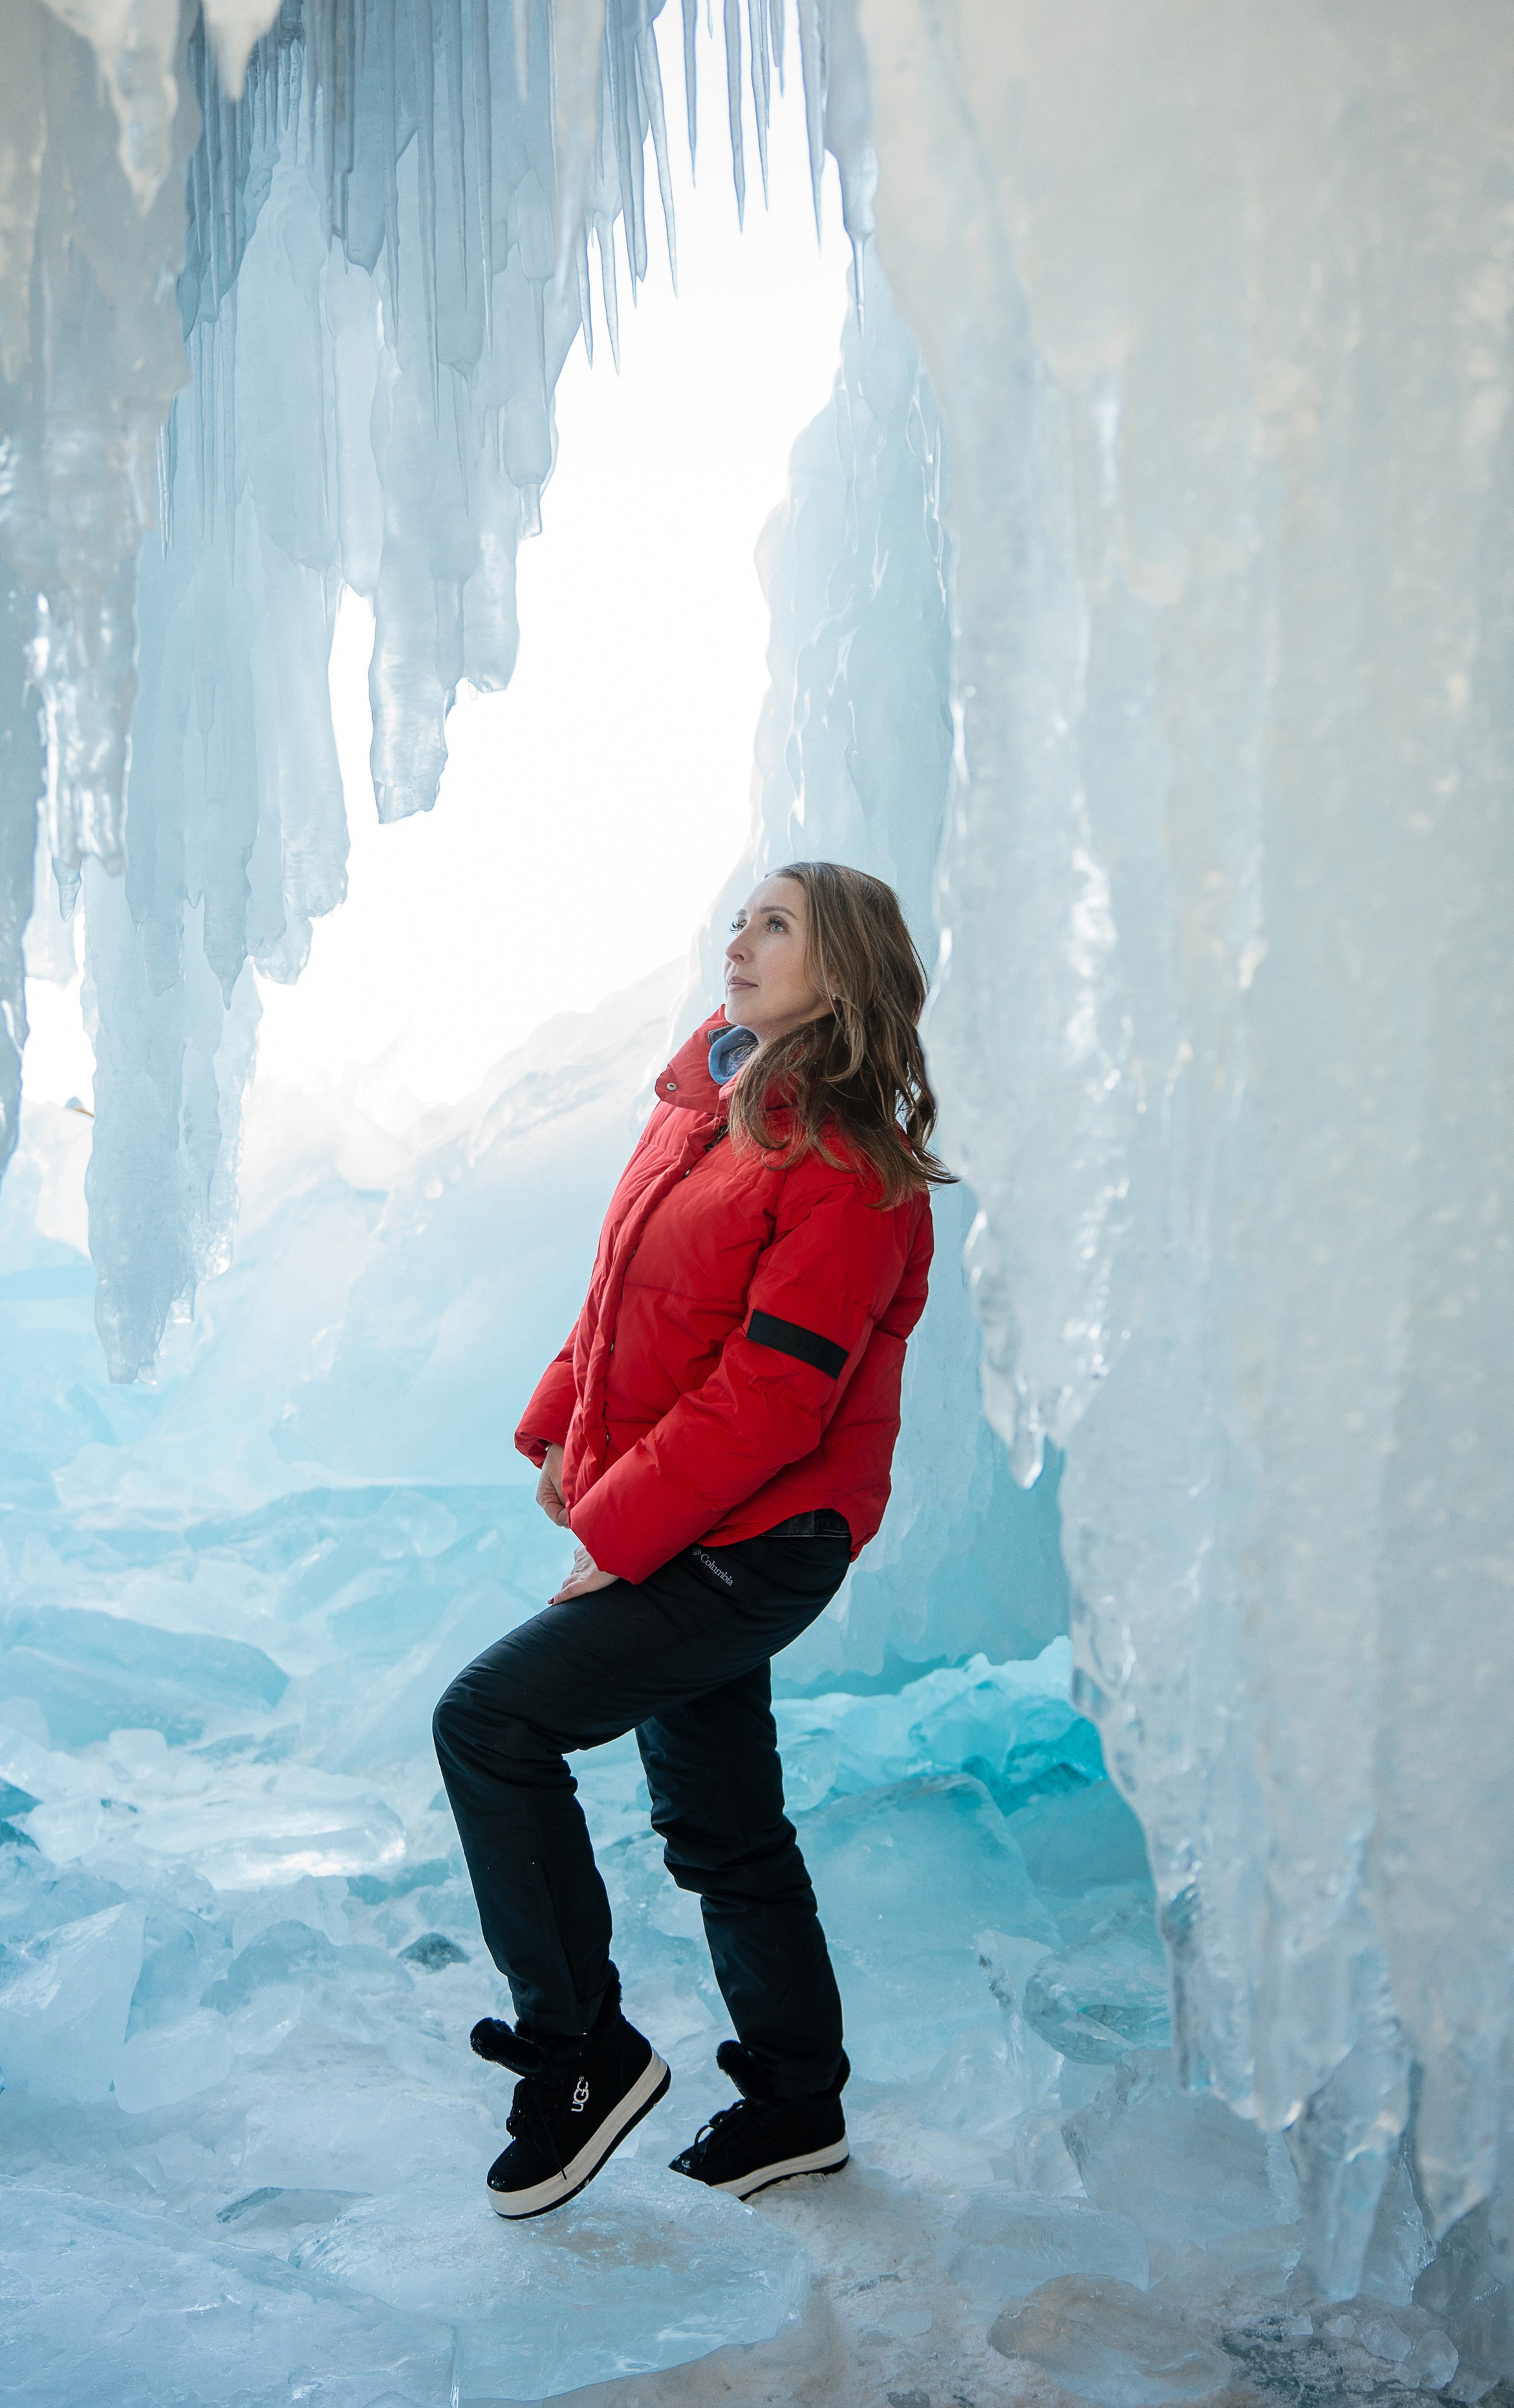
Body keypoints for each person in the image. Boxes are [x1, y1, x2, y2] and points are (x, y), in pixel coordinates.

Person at [433, 861, 951, 2220]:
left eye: (773, 923)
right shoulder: (702, 1111)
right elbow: (620, 1297)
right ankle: (792, 2104)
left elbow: (777, 1394)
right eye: (741, 919)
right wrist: (563, 1427)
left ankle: (580, 2055)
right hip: (696, 1517)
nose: (739, 939)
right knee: (720, 1823)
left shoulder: (845, 1168)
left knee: (489, 1721)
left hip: (761, 1536)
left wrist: (623, 1523)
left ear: (837, 969)